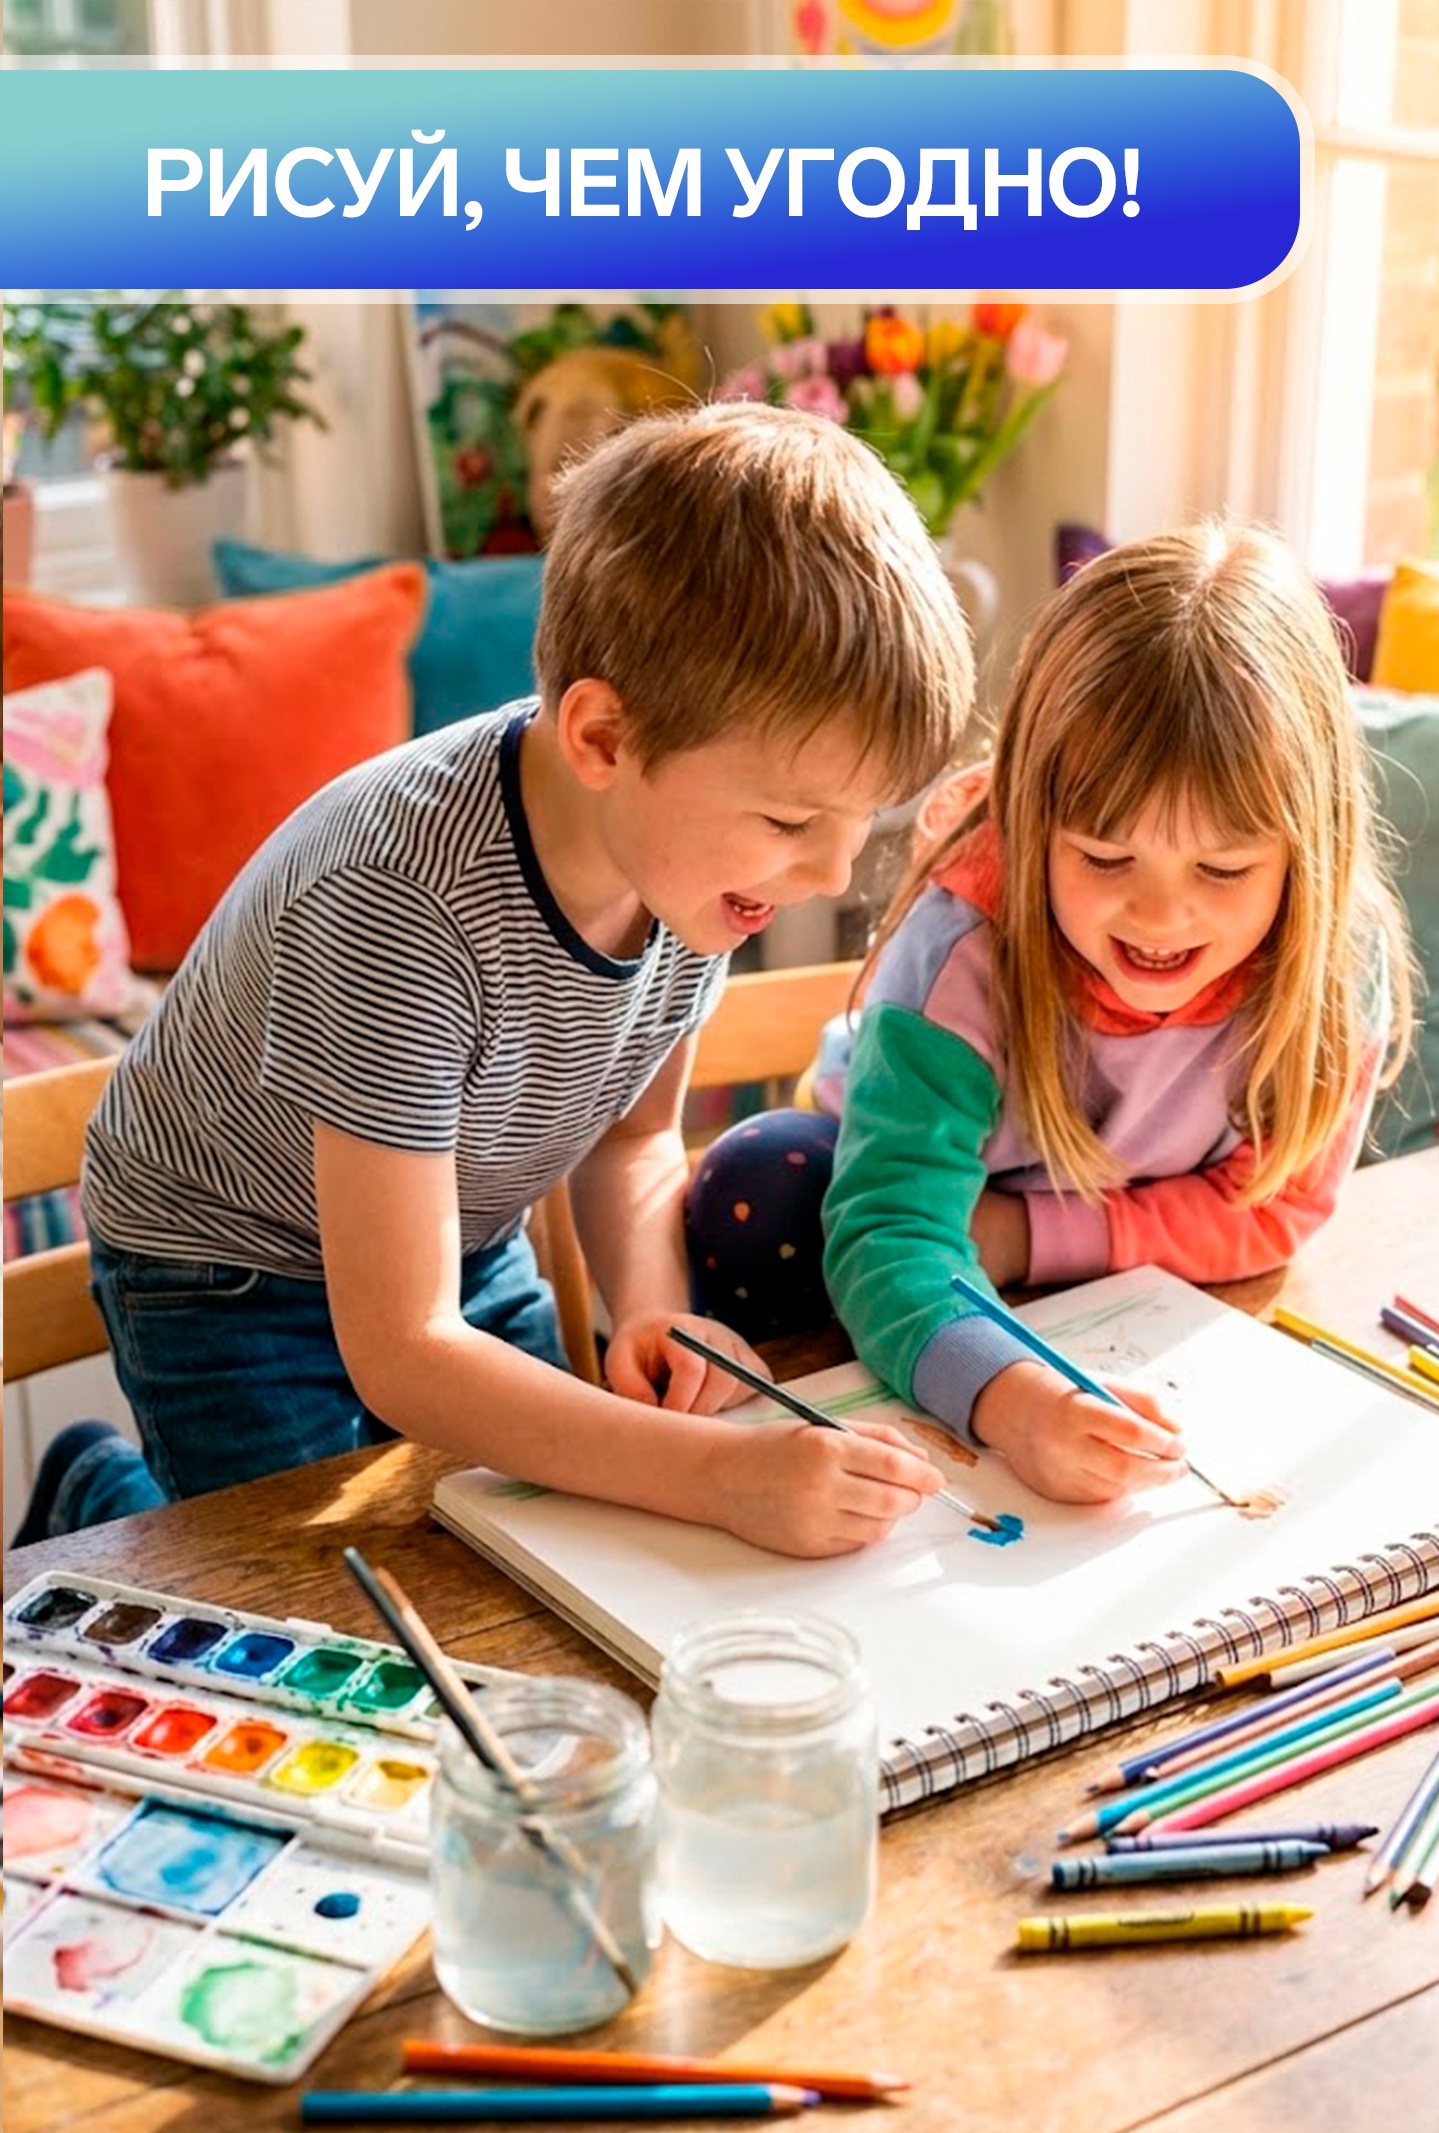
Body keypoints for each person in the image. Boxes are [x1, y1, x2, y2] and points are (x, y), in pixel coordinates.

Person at [44, 403, 974, 1561]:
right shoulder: (399, 903)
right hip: (230, 1267)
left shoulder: (695, 866)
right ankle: (98, 1499)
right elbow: (406, 1352)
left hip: (453, 1233)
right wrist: (721, 1475)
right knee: (309, 1586)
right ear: (601, 740)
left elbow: (632, 1139)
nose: (832, 873)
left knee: (531, 1543)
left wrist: (650, 1305)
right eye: (792, 821)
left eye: (856, 824)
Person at [689, 523, 1413, 1505]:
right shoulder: (965, 955)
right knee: (762, 1186)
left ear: (1307, 850)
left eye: (1223, 868)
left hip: (1033, 1235)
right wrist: (1017, 1404)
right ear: (1031, 823)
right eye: (1104, 859)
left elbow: (1277, 1209)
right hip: (904, 1193)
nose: (1160, 915)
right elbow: (895, 1232)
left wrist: (1022, 1237)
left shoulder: (1337, 959)